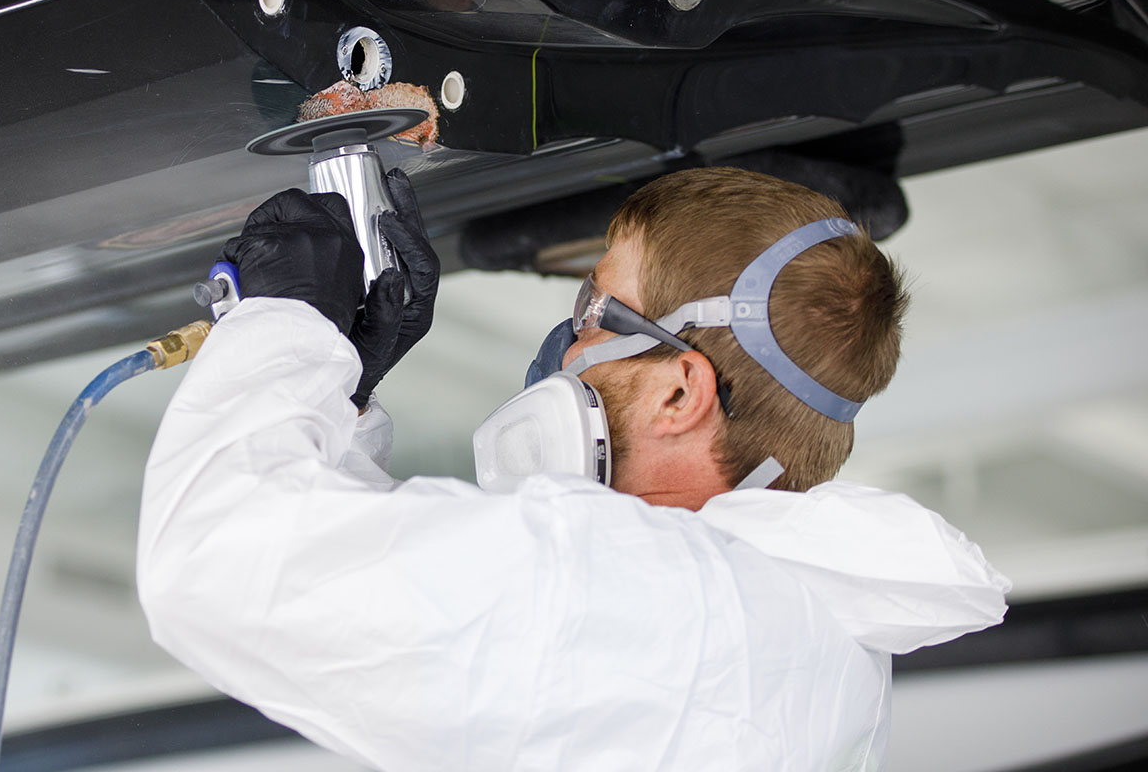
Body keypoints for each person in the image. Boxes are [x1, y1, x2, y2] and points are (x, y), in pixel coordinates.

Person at [138, 166, 1010, 771]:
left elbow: (215, 563)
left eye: (595, 311)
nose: (567, 347)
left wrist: (284, 328)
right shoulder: (799, 629)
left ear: (679, 393)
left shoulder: (654, 601)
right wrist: (340, 395)